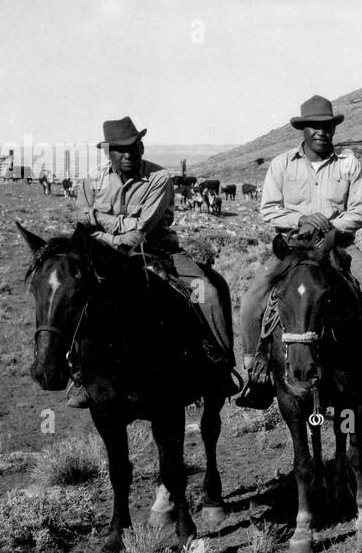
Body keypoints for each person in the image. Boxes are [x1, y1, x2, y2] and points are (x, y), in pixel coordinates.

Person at [236, 95, 362, 408]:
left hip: (338, 243)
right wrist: (300, 218)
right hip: (292, 247)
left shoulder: (349, 165)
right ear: (303, 130)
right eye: (314, 126)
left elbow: (360, 209)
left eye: (327, 126)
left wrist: (333, 228)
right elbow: (268, 209)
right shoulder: (282, 164)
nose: (321, 132)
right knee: (250, 300)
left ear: (333, 129)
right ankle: (256, 371)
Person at [68, 116, 238, 408]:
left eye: (134, 147)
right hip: (103, 258)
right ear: (108, 152)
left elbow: (139, 232)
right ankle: (78, 374)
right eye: (120, 149)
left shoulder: (159, 178)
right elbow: (80, 220)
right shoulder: (92, 181)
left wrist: (98, 221)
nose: (128, 154)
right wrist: (111, 231)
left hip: (158, 253)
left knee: (206, 291)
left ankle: (219, 364)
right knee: (70, 296)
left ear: (142, 146)